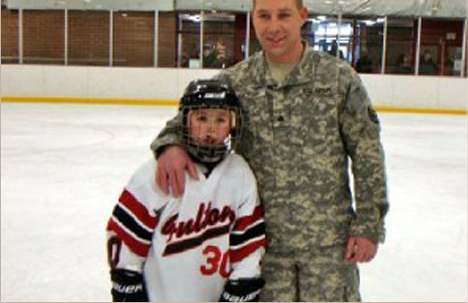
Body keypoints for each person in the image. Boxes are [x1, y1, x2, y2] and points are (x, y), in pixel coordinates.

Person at [151, 0, 389, 301]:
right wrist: (171, 145)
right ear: (253, 19)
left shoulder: (338, 79)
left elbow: (367, 153)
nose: (273, 26)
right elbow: (184, 122)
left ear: (302, 17)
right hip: (262, 251)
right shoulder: (236, 83)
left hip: (329, 250)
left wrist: (369, 223)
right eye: (264, 16)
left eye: (283, 15)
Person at [107, 79, 267, 302]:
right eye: (201, 118)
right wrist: (127, 281)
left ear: (233, 124)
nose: (210, 128)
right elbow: (126, 234)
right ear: (184, 121)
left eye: (220, 119)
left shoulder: (240, 173)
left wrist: (243, 284)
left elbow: (248, 243)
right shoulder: (160, 171)